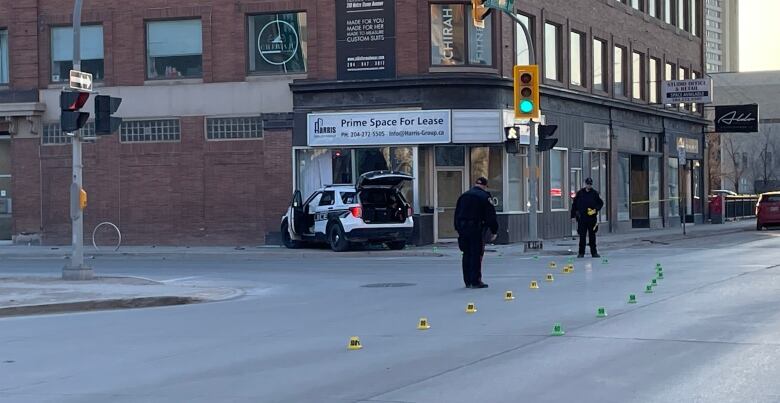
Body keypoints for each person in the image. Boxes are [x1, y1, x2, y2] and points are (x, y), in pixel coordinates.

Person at [454, 177, 499, 289]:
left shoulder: (464, 196)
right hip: (476, 228)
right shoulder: (485, 197)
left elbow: (456, 213)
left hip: (463, 228)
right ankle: (475, 281)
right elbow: (490, 216)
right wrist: (494, 231)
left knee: (466, 253)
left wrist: (458, 229)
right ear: (485, 186)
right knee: (476, 254)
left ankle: (467, 280)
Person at [571, 177, 604, 258]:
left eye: (590, 184)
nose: (589, 185)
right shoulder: (580, 193)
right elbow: (574, 205)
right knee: (582, 236)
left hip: (592, 218)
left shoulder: (594, 193)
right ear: (585, 184)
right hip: (582, 218)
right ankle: (581, 253)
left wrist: (595, 209)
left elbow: (600, 203)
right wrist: (573, 216)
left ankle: (594, 252)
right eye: (587, 184)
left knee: (592, 236)